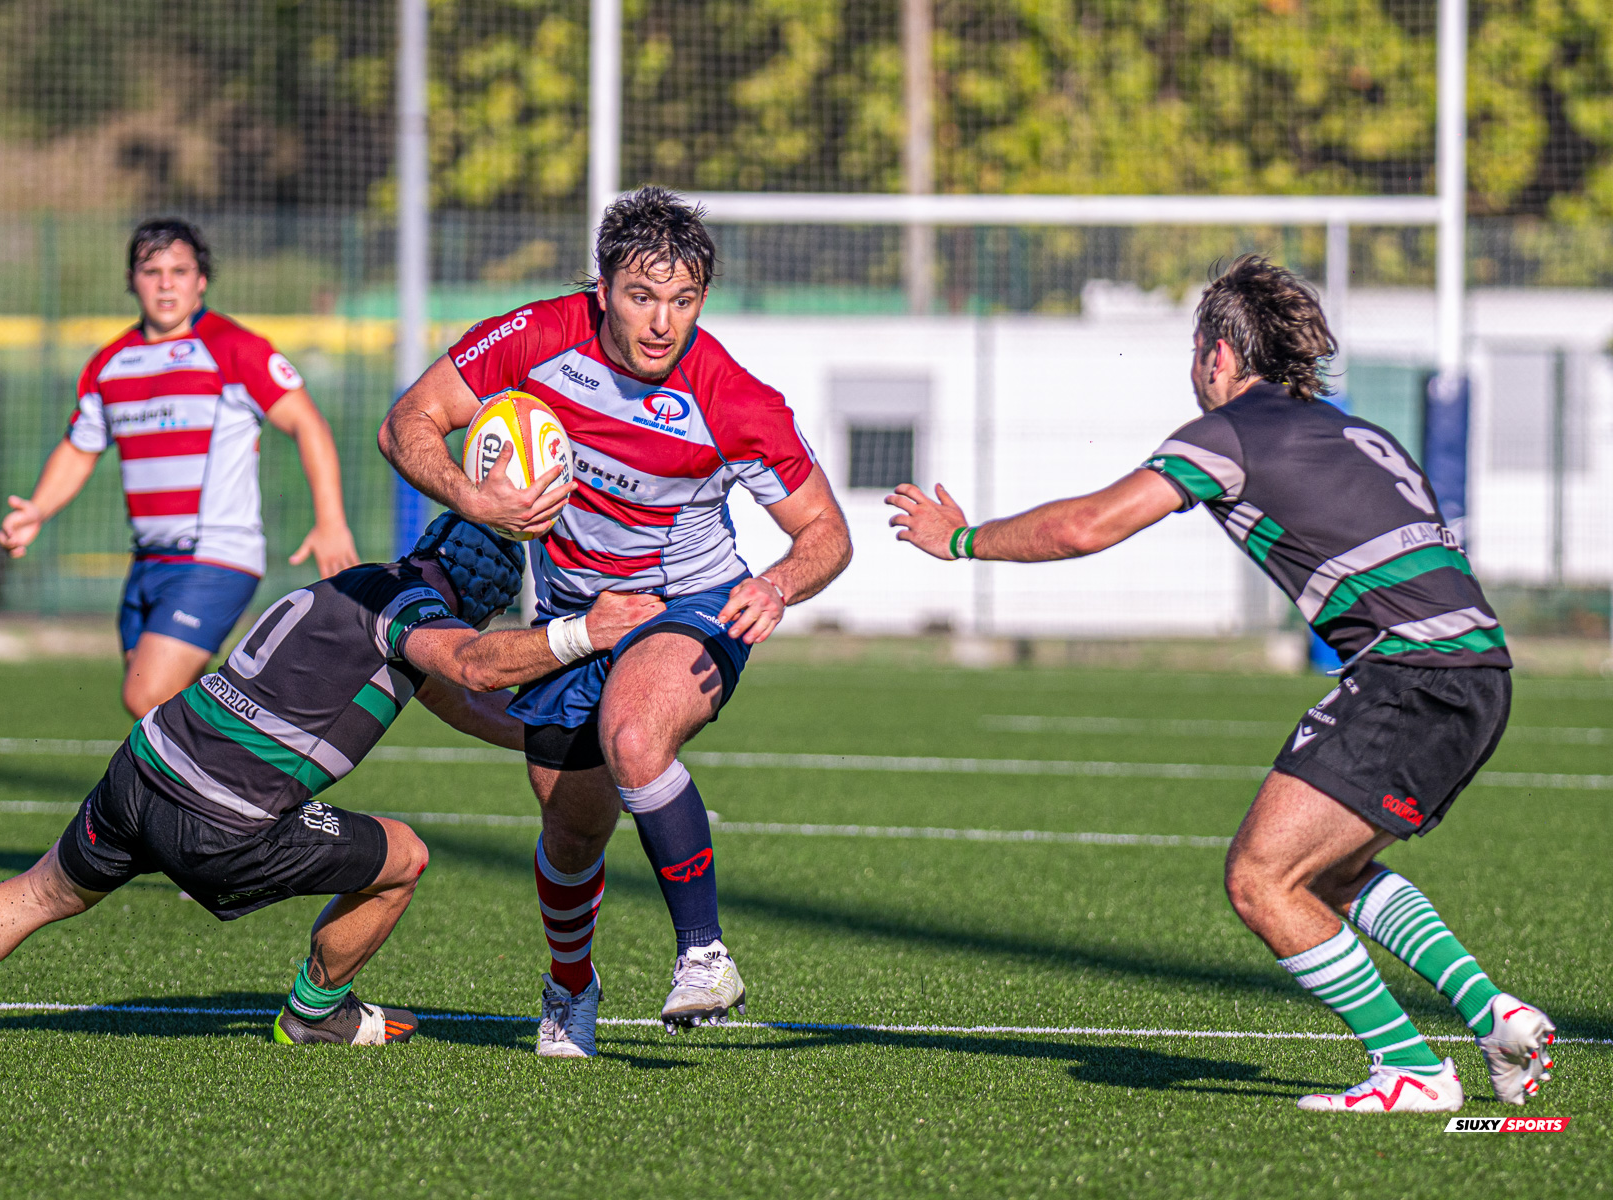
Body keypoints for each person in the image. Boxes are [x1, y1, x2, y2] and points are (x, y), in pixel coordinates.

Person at [887, 255, 1556, 1114]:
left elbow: (1093, 523)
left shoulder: (1227, 432)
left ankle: (1412, 1070)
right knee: (1330, 869)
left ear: (1218, 357)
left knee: (1261, 879)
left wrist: (965, 540)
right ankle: (1491, 1013)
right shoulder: (1363, 433)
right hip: (1481, 675)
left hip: (1411, 677)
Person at [0, 516, 663, 1046]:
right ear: (484, 596)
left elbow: (450, 691)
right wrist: (583, 631)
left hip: (143, 770)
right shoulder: (420, 615)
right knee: (403, 858)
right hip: (223, 821)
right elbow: (472, 662)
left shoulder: (358, 585)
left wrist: (542, 737)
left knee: (42, 890)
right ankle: (315, 1017)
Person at [379, 186, 852, 1057]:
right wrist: (472, 494)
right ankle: (569, 989)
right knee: (571, 826)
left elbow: (826, 533)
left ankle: (703, 955)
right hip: (571, 617)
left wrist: (782, 582)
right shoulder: (533, 338)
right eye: (642, 296)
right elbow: (408, 420)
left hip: (693, 607)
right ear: (601, 289)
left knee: (635, 735)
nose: (663, 322)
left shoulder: (737, 400)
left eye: (684, 300)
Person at [0, 219, 362, 719]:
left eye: (180, 270)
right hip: (147, 562)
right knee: (160, 711)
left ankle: (269, 772)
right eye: (152, 270)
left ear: (201, 280)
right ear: (131, 280)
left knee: (144, 694)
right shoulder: (109, 363)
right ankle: (233, 791)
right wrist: (37, 509)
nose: (166, 283)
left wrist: (330, 519)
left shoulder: (234, 349)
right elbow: (80, 449)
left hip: (214, 556)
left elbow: (307, 424)